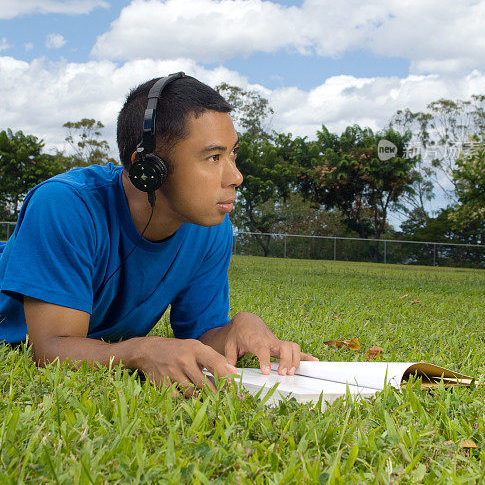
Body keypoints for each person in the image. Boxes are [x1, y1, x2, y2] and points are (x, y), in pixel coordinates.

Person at [0, 72, 317, 396]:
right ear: (148, 169)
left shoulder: (211, 229)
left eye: (232, 154)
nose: (236, 176)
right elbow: (50, 349)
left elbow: (199, 336)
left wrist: (236, 328)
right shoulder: (65, 206)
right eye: (213, 157)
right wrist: (138, 351)